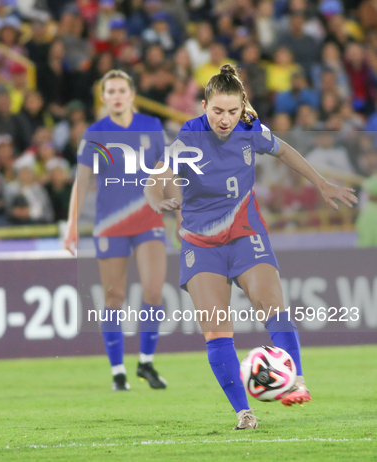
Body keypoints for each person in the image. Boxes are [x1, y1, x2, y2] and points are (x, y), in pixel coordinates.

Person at [144, 64, 357, 430]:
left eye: (232, 111)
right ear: (203, 106)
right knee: (216, 329)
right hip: (201, 243)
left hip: (246, 234)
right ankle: (244, 413)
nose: (225, 120)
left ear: (243, 107)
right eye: (217, 111)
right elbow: (157, 174)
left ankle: (295, 381)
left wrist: (322, 183)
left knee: (270, 303)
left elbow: (285, 151)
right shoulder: (189, 137)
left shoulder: (250, 130)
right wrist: (155, 198)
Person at [65, 70, 180, 391]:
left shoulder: (151, 127)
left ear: (132, 95)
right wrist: (72, 225)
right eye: (110, 91)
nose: (116, 95)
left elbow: (166, 171)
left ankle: (145, 363)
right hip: (110, 224)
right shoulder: (95, 133)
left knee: (154, 291)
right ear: (103, 98)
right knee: (114, 297)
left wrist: (180, 212)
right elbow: (82, 180)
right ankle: (118, 371)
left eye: (121, 90)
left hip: (149, 219)